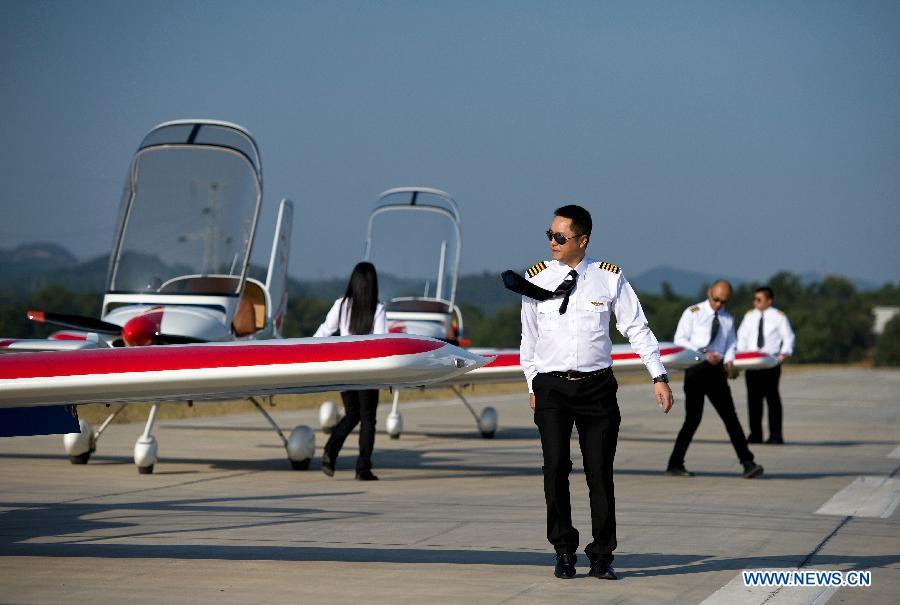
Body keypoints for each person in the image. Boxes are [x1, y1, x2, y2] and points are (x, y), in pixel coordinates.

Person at [507, 204, 674, 581]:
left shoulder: (608, 278)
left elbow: (637, 328)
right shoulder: (536, 279)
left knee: (599, 473)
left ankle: (602, 555)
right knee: (555, 470)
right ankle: (563, 550)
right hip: (551, 387)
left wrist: (657, 375)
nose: (552, 242)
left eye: (560, 237)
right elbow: (528, 339)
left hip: (597, 387)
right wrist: (532, 383)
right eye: (549, 234)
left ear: (582, 240)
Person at [666, 280, 764, 479]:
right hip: (696, 368)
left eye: (723, 301)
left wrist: (729, 362)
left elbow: (731, 344)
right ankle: (675, 463)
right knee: (693, 419)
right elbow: (680, 340)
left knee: (731, 418)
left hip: (716, 372)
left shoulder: (727, 319)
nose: (719, 304)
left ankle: (748, 462)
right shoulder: (693, 313)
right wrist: (703, 353)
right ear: (709, 292)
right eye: (716, 299)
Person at [314, 261, 387, 481]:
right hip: (368, 371)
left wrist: (306, 350)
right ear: (373, 283)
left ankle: (330, 450)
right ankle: (362, 468)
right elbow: (383, 342)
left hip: (345, 368)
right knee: (368, 419)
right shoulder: (378, 308)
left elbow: (325, 332)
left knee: (352, 414)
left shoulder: (341, 305)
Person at [736, 286, 795, 444]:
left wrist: (783, 354)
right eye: (755, 299)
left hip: (770, 362)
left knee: (772, 398)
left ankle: (776, 435)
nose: (756, 302)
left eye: (759, 299)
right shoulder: (749, 316)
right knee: (753, 399)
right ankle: (755, 434)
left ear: (769, 300)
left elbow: (788, 336)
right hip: (752, 363)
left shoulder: (778, 316)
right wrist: (740, 356)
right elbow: (741, 336)